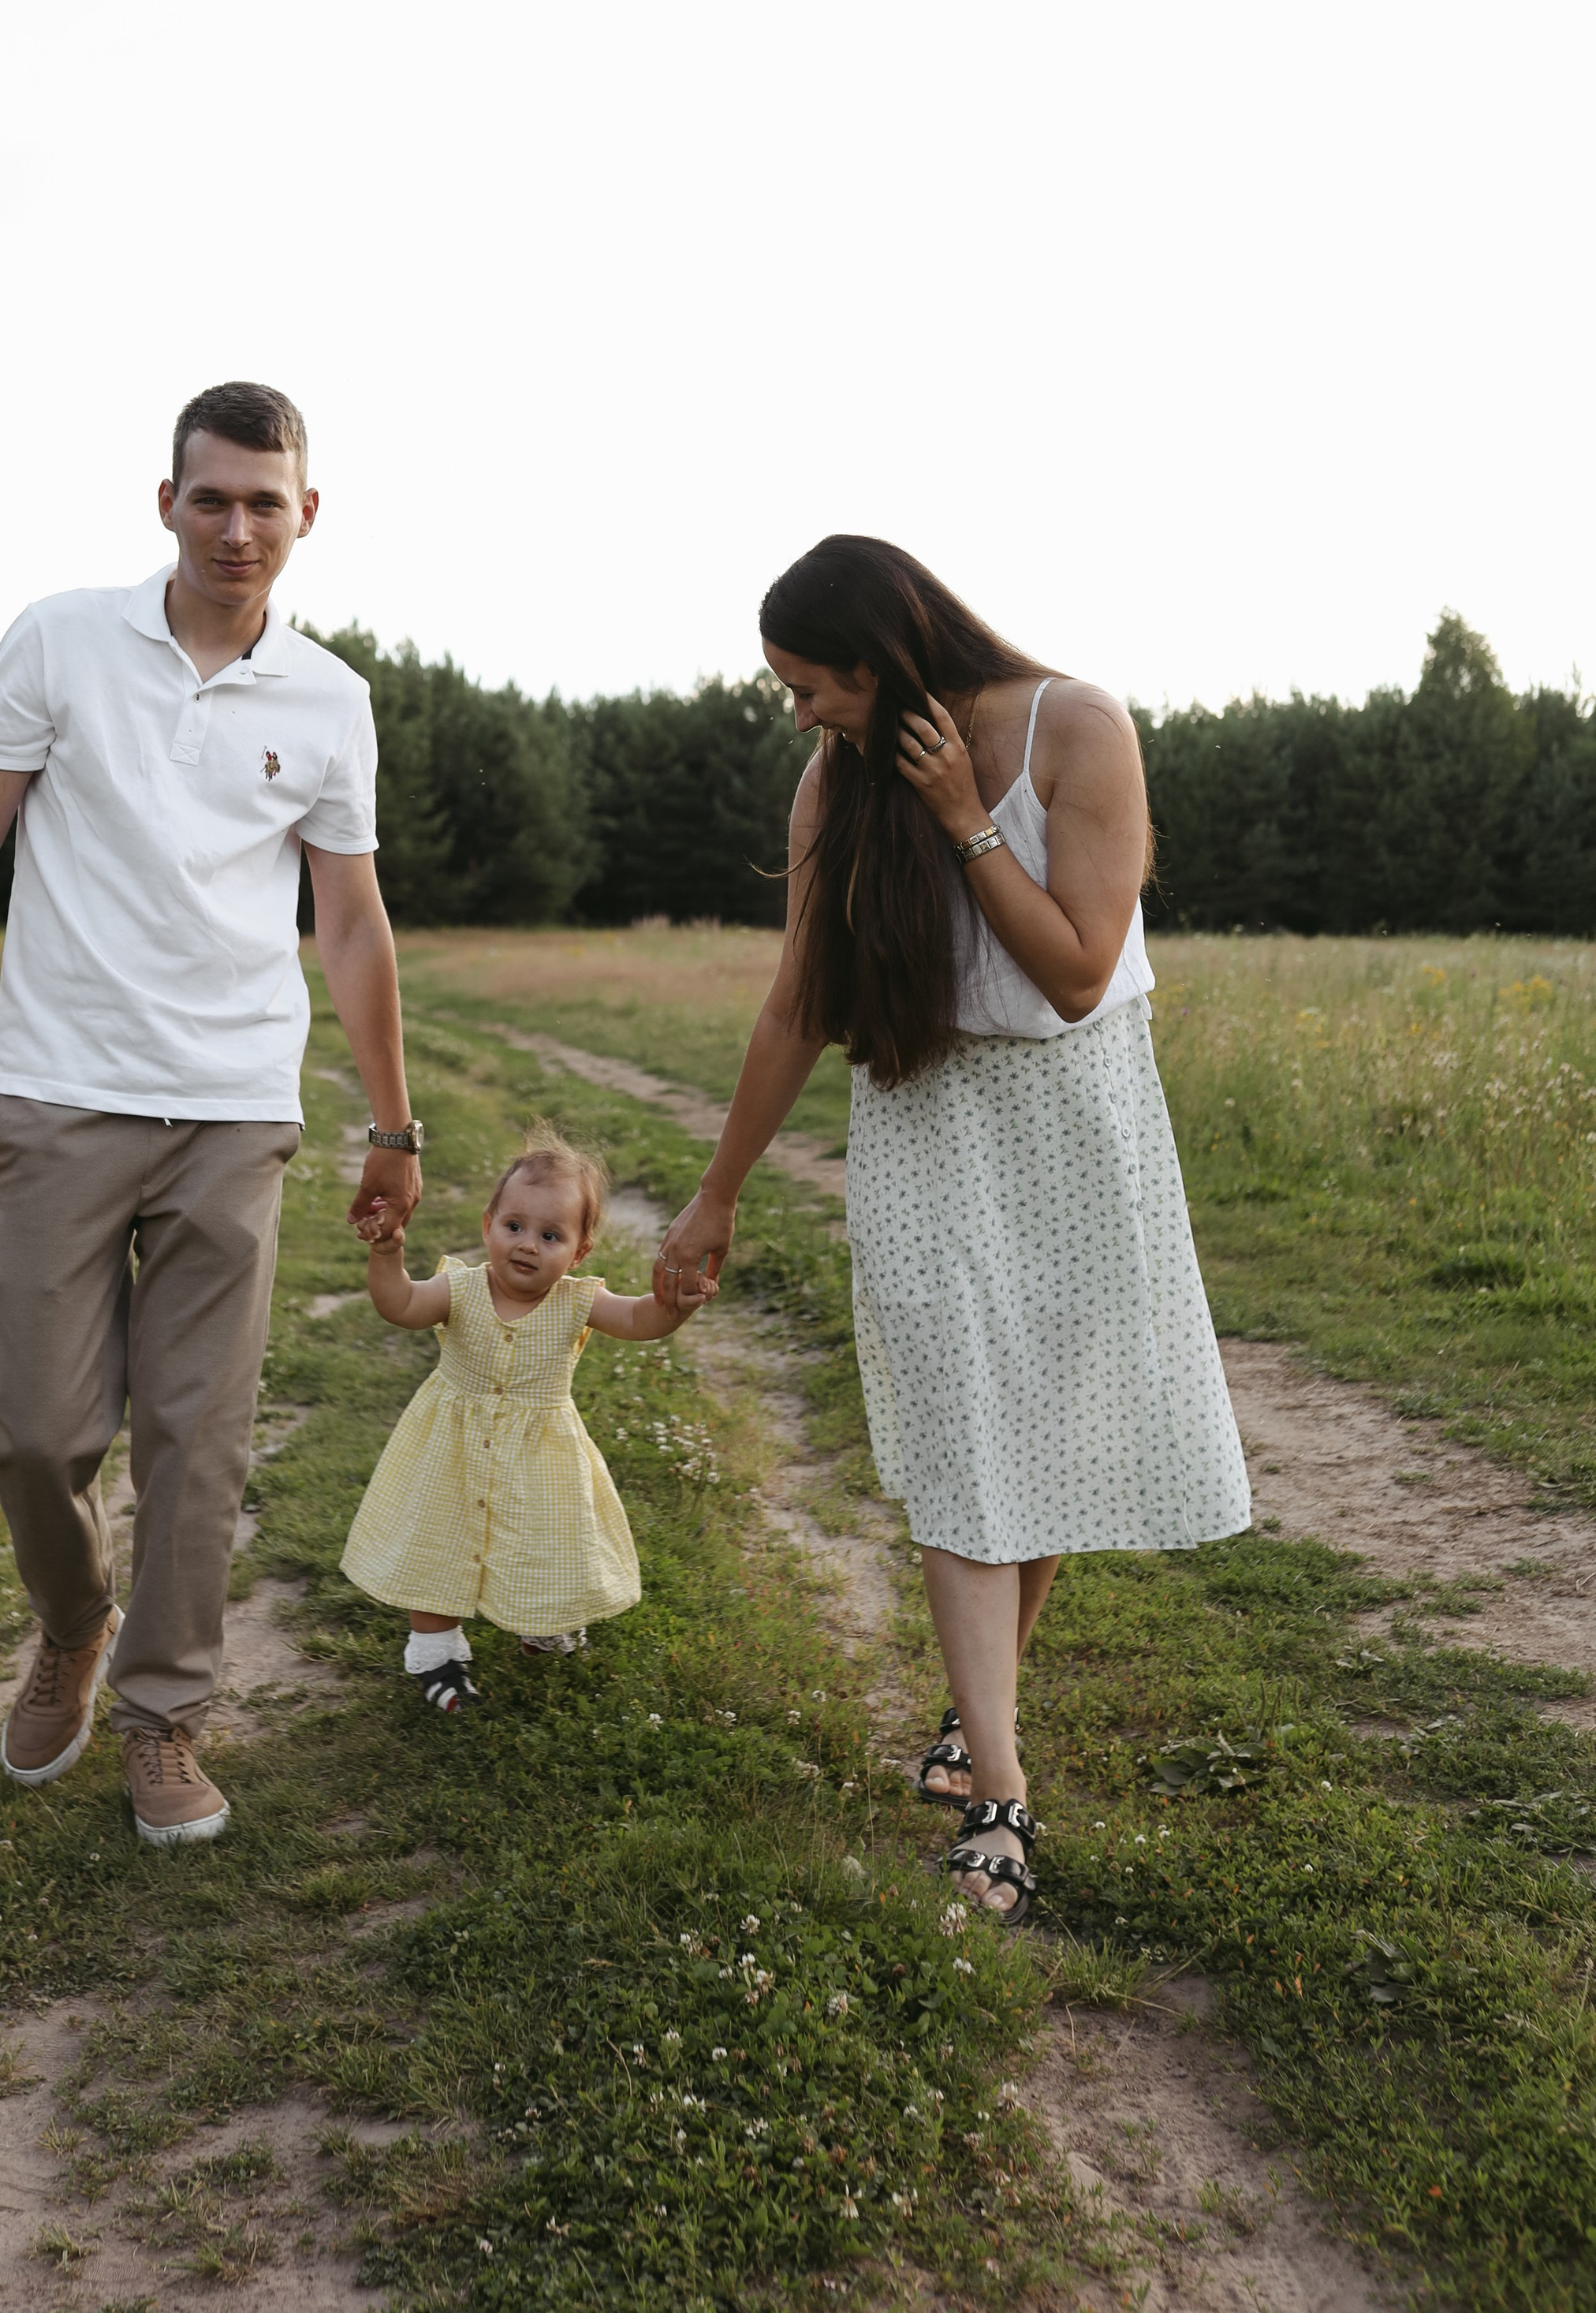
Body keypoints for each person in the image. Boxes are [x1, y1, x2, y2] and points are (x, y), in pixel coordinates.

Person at [654, 535, 1249, 1927]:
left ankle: (972, 1730)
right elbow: (799, 998)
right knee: (962, 1437)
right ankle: (998, 1792)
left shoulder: (1078, 728)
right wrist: (717, 1191)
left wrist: (965, 816)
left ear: (880, 658)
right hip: (927, 1124)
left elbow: (1077, 970)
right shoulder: (832, 784)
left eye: (810, 687)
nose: (798, 715)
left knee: (1040, 1433)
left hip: (1079, 1115)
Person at [0, 381, 425, 1846]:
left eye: (267, 501)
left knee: (201, 1437)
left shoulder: (331, 700)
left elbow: (354, 921)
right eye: (213, 497)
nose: (238, 526)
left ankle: (165, 1715)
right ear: (167, 503)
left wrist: (392, 1125)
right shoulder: (61, 639)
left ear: (306, 514)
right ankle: (73, 1624)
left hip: (235, 1107)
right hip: (61, 1091)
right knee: (36, 1429)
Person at [341, 1127, 713, 1712]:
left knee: (544, 1540)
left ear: (579, 1251)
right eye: (515, 1227)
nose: (528, 1245)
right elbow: (402, 1306)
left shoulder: (578, 1300)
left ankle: (542, 1618)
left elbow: (641, 1320)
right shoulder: (460, 1289)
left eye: (550, 1235)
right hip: (451, 1449)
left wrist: (674, 1305)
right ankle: (436, 1652)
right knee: (440, 1540)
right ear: (488, 1224)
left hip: (542, 1455)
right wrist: (387, 1254)